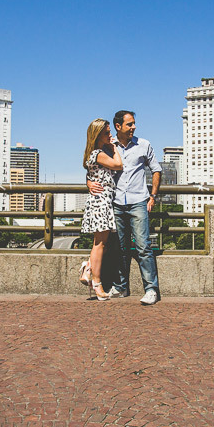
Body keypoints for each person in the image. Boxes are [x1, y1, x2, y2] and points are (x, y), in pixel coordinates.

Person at [88, 110, 162, 305]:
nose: (134, 127)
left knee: (143, 246)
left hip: (139, 201)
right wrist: (88, 183)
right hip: (116, 202)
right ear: (118, 127)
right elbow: (94, 170)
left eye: (134, 123)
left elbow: (156, 170)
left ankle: (151, 289)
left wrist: (152, 196)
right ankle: (121, 287)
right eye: (129, 124)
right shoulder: (106, 148)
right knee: (119, 248)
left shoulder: (144, 145)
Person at [80, 118, 123, 300]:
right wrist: (114, 148)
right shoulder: (99, 153)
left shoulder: (94, 153)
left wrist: (89, 181)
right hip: (101, 201)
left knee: (101, 243)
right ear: (98, 135)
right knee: (100, 244)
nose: (110, 135)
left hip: (101, 200)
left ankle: (88, 268)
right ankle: (97, 283)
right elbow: (118, 165)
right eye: (106, 132)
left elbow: (92, 174)